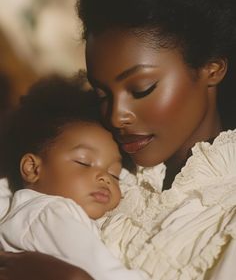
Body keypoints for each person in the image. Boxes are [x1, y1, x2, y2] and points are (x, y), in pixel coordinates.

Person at [0, 0, 236, 279]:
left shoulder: (225, 212)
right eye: (102, 94)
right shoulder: (82, 153)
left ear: (212, 68)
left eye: (141, 89)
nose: (116, 116)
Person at [0, 74, 146, 280]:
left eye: (114, 174)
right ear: (33, 169)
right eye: (84, 162)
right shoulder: (51, 213)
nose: (105, 177)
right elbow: (107, 274)